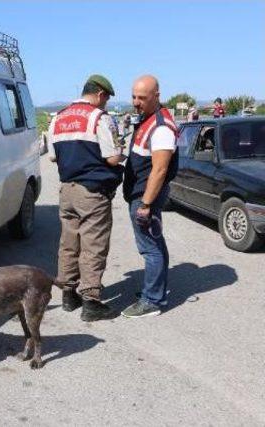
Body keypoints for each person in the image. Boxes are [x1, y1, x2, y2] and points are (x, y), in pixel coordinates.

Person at [49, 74, 125, 322]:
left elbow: (52, 156)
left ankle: (69, 295)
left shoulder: (58, 117)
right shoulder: (99, 118)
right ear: (101, 94)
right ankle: (91, 301)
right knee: (93, 245)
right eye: (107, 99)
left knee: (68, 243)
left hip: (67, 190)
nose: (106, 104)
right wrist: (121, 153)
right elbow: (113, 158)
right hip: (92, 192)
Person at [122, 75, 178, 318]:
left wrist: (145, 204)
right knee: (155, 243)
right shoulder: (148, 119)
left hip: (146, 195)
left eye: (142, 98)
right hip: (142, 192)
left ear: (157, 96)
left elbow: (160, 169)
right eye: (134, 96)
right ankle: (157, 290)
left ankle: (152, 300)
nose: (136, 102)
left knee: (150, 248)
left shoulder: (162, 128)